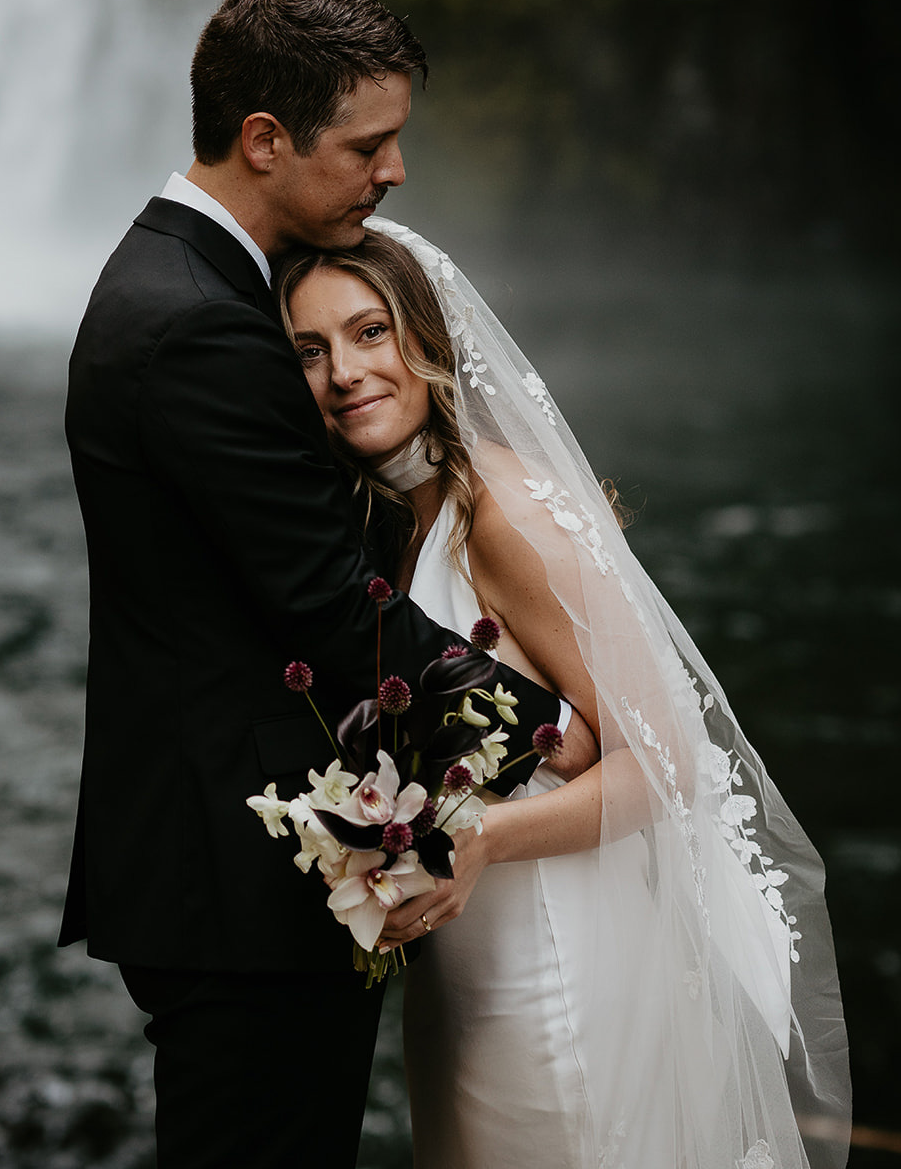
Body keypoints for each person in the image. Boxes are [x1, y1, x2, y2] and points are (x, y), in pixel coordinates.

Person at [57, 0, 578, 1169]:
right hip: (237, 884)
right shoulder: (197, 323)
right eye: (366, 145)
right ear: (263, 139)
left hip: (221, 862)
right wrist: (552, 732)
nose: (393, 170)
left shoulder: (184, 283)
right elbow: (332, 608)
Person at [277, 220, 852, 1169]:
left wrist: (479, 840)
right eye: (309, 350)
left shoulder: (499, 515)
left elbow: (662, 766)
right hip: (464, 967)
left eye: (369, 332)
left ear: (426, 338)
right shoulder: (393, 525)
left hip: (551, 967)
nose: (344, 372)